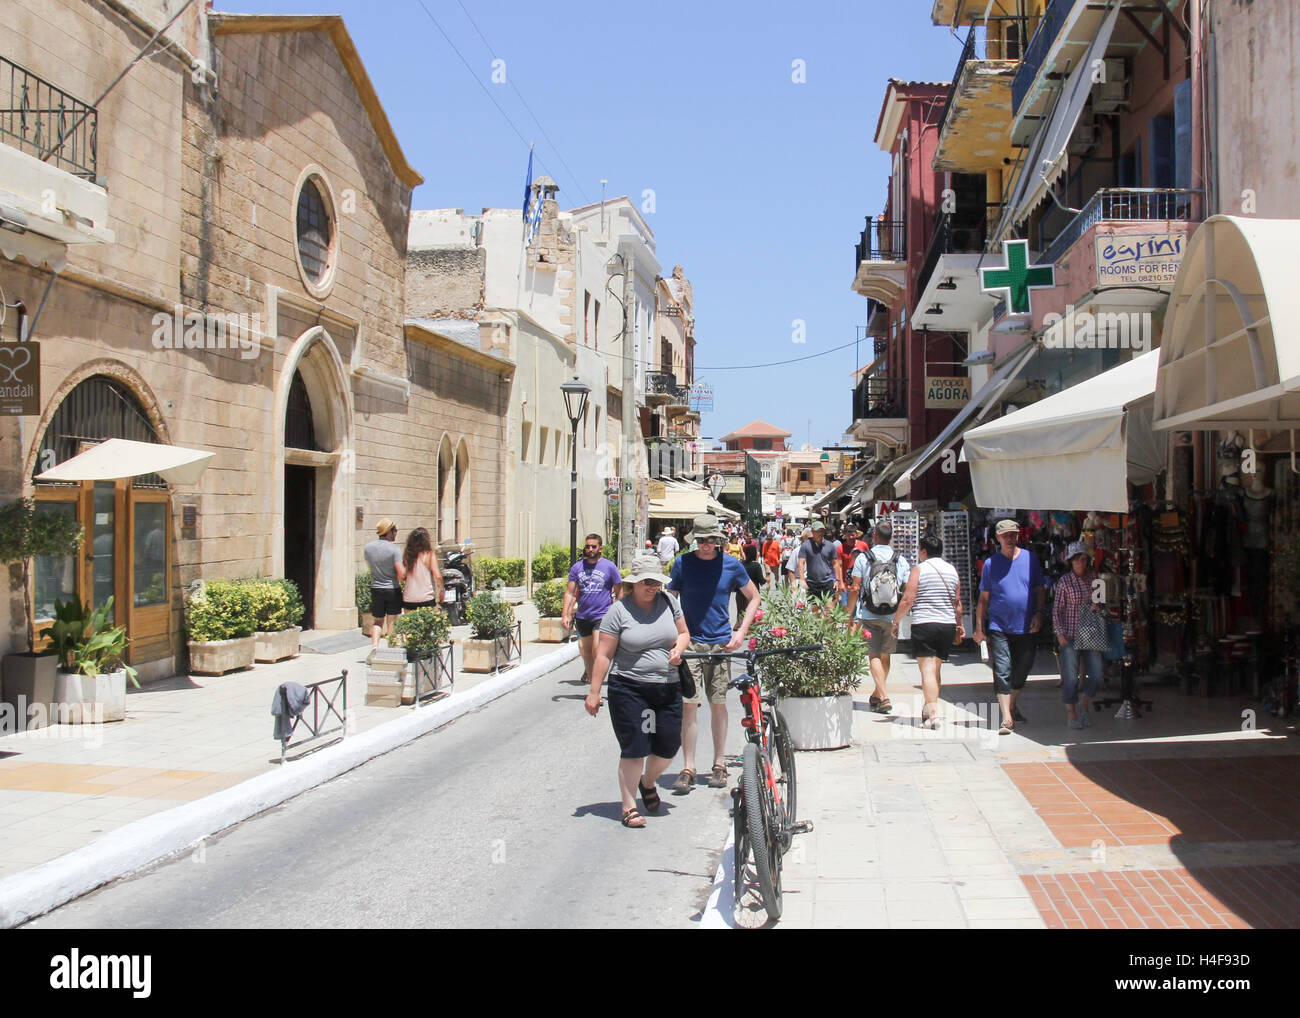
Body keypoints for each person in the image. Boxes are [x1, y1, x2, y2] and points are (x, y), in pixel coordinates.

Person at [585, 554, 691, 828]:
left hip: (667, 685)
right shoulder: (618, 611)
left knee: (668, 746)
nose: (652, 587)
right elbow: (604, 655)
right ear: (634, 584)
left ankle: (648, 781)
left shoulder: (669, 602)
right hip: (629, 686)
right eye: (647, 582)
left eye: (656, 582)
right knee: (634, 748)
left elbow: (683, 633)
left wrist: (679, 648)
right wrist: (594, 692)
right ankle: (629, 807)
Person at [668, 513, 760, 793]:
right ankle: (689, 767)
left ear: (719, 541)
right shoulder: (682, 563)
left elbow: (754, 596)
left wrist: (741, 631)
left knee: (718, 704)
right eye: (701, 540)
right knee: (689, 705)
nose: (706, 545)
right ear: (694, 540)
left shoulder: (731, 565)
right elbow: (671, 597)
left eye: (711, 540)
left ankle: (719, 764)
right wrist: (671, 634)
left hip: (720, 643)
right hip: (691, 644)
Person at [973, 519, 1048, 736]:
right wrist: (979, 628)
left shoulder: (1030, 558)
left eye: (1013, 534)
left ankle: (1011, 705)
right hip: (999, 626)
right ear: (997, 538)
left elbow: (1039, 589)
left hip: (1026, 625)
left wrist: (1038, 614)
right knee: (1003, 669)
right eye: (1005, 535)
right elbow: (983, 599)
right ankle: (1006, 717)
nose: (1009, 538)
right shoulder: (990, 564)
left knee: (1022, 670)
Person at [891, 534, 963, 729]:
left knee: (927, 670)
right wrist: (960, 625)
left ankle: (933, 715)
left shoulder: (919, 569)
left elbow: (908, 599)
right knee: (936, 669)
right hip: (947, 624)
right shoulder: (951, 570)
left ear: (923, 551)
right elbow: (957, 603)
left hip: (925, 623)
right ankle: (928, 707)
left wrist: (895, 621)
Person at [849, 520, 910, 714]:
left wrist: (849, 613)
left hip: (869, 613)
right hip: (891, 615)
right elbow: (906, 588)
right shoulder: (900, 559)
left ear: (875, 534)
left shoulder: (864, 558)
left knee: (873, 655)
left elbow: (855, 587)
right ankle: (877, 693)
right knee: (885, 656)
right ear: (891, 536)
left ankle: (883, 696)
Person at [1052, 542, 1104, 730]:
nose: (1081, 563)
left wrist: (1097, 606)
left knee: (1097, 674)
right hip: (1070, 633)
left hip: (1091, 634)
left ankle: (1084, 705)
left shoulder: (1095, 579)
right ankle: (1071, 711)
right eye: (1077, 560)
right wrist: (1059, 633)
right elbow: (1057, 610)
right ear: (1071, 562)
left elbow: (1101, 604)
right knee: (1071, 676)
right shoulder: (1065, 582)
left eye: (1084, 559)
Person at [562, 534, 623, 686]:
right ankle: (592, 685)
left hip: (602, 615)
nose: (590, 549)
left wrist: (617, 608)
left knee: (597, 650)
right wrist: (565, 614)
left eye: (593, 546)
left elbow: (619, 590)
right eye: (587, 546)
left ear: (600, 548)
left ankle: (596, 687)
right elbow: (570, 593)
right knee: (586, 652)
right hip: (583, 616)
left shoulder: (609, 567)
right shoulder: (577, 568)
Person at [364, 518, 407, 646]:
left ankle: (375, 647)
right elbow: (401, 573)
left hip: (376, 588)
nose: (396, 533)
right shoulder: (394, 549)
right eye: (395, 530)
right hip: (392, 588)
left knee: (378, 621)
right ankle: (391, 647)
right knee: (392, 621)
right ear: (389, 531)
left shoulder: (368, 548)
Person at [400, 526, 444, 613]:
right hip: (427, 597)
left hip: (409, 598)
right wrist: (442, 590)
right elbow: (437, 576)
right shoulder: (429, 554)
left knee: (410, 625)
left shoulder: (407, 555)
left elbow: (403, 575)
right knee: (426, 625)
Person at [798, 520, 844, 601]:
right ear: (812, 532)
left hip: (827, 581)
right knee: (815, 610)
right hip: (812, 582)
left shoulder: (830, 546)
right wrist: (802, 579)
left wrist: (837, 580)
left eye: (822, 531)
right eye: (818, 531)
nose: (820, 533)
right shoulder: (805, 546)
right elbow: (801, 562)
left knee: (829, 610)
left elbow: (835, 564)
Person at [736, 543, 766, 627]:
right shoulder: (756, 565)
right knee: (754, 610)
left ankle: (740, 624)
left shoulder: (740, 565)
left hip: (740, 591)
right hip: (753, 592)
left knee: (741, 610)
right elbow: (761, 580)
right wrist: (766, 579)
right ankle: (752, 627)